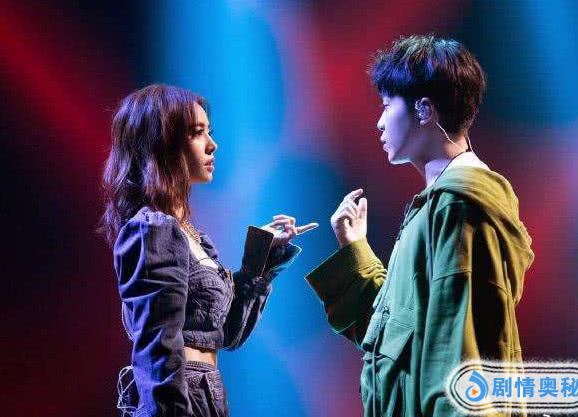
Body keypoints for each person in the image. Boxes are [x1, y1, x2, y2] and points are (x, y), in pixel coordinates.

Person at [305, 35, 534, 416]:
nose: (379, 122)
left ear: (424, 110)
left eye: (386, 105)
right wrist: (355, 248)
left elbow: (460, 349)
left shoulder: (460, 206)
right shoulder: (435, 207)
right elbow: (393, 337)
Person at [99, 84, 317, 417]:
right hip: (178, 399)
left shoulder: (194, 238)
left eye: (208, 132)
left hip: (207, 393)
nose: (212, 145)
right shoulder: (152, 229)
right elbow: (157, 348)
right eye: (197, 133)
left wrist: (261, 256)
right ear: (164, 143)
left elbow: (228, 334)